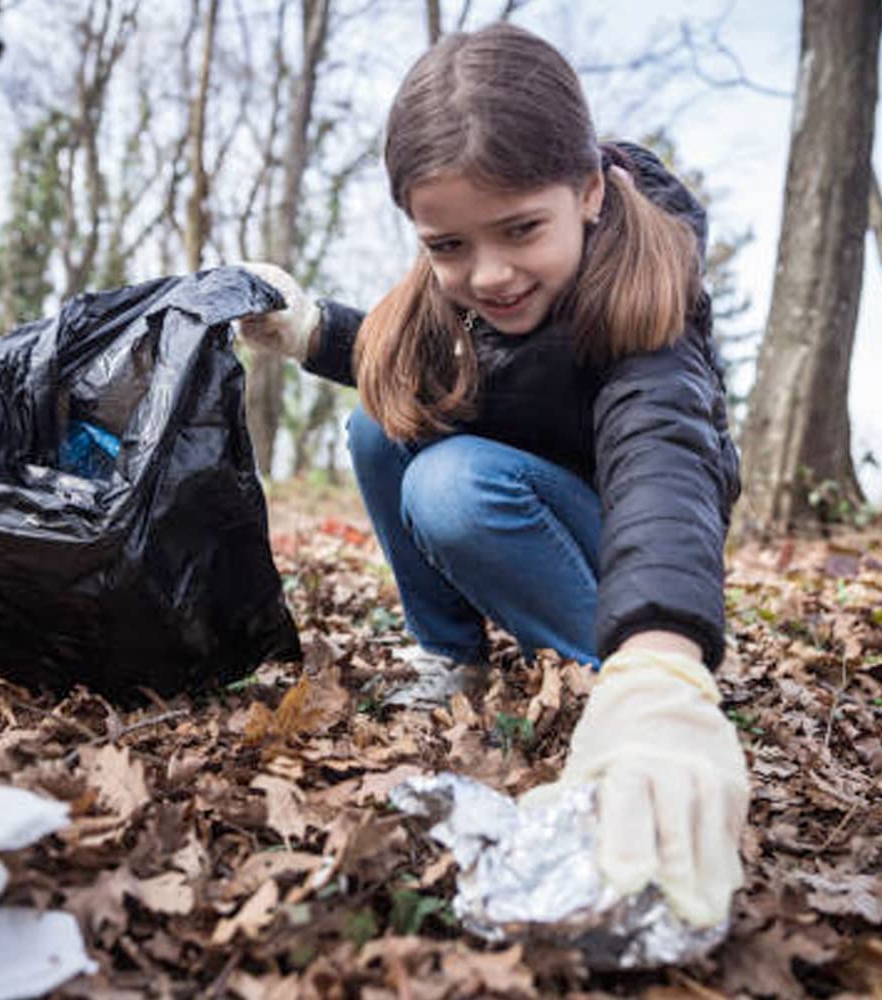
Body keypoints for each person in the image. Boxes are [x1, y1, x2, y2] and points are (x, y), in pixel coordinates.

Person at [237, 23, 749, 934]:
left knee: (452, 485)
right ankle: (450, 657)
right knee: (380, 424)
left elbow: (662, 463)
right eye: (449, 247)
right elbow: (434, 380)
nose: (491, 274)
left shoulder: (649, 300)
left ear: (589, 192)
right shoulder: (469, 288)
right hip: (540, 503)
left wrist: (663, 659)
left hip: (632, 547)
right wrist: (314, 330)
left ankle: (621, 682)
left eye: (520, 231)